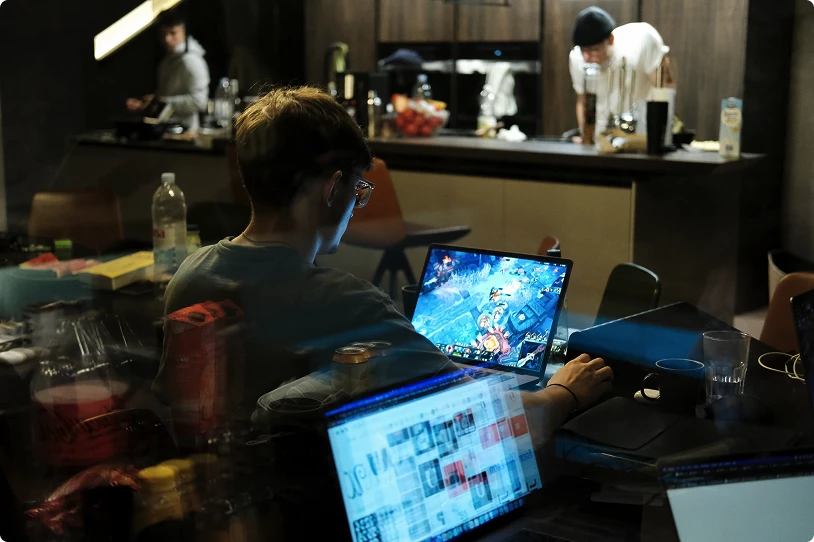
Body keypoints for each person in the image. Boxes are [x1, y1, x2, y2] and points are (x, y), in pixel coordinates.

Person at [153, 86, 612, 434]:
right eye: (358, 189)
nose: (357, 203)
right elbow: (489, 420)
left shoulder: (188, 279)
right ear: (334, 189)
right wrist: (563, 392)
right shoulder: (345, 304)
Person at [569, 6, 675, 140]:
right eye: (582, 51)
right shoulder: (576, 58)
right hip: (600, 141)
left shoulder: (641, 39)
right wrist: (586, 137)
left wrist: (662, 139)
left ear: (611, 39)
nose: (586, 58)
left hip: (639, 138)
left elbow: (665, 88)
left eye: (593, 50)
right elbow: (582, 100)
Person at [126, 8, 210, 130]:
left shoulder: (191, 60)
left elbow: (200, 101)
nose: (167, 39)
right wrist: (149, 103)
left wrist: (163, 101)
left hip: (184, 131)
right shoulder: (168, 61)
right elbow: (165, 96)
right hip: (167, 129)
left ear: (183, 33)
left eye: (173, 33)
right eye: (163, 34)